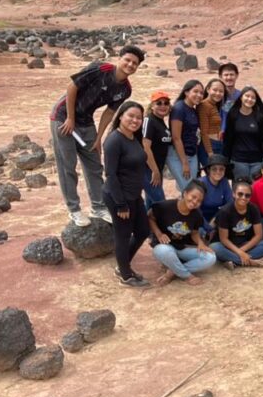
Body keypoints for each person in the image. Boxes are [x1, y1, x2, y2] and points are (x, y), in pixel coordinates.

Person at [49, 44, 144, 226]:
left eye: (135, 63)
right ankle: (74, 210)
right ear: (119, 59)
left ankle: (98, 207)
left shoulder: (125, 89)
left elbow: (109, 113)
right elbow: (72, 87)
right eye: (127, 60)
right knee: (68, 165)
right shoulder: (101, 68)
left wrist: (99, 137)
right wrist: (70, 118)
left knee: (94, 165)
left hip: (86, 121)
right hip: (63, 117)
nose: (130, 65)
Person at [102, 101, 150, 287]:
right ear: (121, 115)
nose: (135, 120)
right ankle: (125, 276)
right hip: (119, 197)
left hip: (134, 195)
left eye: (139, 118)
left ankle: (122, 266)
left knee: (143, 231)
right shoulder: (114, 141)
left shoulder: (133, 137)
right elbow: (110, 174)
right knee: (122, 235)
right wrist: (121, 204)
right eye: (131, 116)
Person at [148, 180, 216, 287]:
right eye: (193, 197)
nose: (195, 202)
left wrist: (200, 243)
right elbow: (150, 217)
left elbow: (194, 233)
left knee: (211, 257)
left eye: (199, 201)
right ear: (185, 193)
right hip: (164, 246)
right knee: (163, 251)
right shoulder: (166, 206)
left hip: (181, 248)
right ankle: (187, 276)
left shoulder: (197, 214)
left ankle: (172, 272)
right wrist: (159, 234)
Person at [211, 180, 263, 268]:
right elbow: (224, 239)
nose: (243, 197)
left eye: (247, 195)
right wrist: (240, 252)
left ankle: (233, 260)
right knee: (215, 247)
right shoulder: (225, 211)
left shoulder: (253, 208)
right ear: (234, 194)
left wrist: (241, 251)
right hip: (228, 245)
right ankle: (251, 262)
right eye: (240, 194)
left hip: (245, 244)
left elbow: (258, 235)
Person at [223, 86, 263, 182]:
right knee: (240, 188)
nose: (250, 99)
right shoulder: (233, 114)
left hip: (257, 161)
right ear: (241, 97)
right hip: (238, 160)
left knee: (255, 189)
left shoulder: (259, 116)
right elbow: (228, 138)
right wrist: (226, 158)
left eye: (253, 97)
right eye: (247, 96)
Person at [169, 79, 203, 193]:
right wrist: (184, 163)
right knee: (188, 190)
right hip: (179, 155)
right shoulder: (179, 109)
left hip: (192, 153)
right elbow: (176, 138)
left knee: (190, 188)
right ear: (186, 92)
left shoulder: (193, 109)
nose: (199, 95)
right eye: (195, 91)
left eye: (201, 93)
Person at [141, 90, 173, 210]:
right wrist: (154, 170)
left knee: (151, 206)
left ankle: (146, 222)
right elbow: (145, 146)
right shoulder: (149, 120)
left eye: (166, 103)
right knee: (161, 203)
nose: (163, 106)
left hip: (157, 169)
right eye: (159, 103)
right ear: (152, 106)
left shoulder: (160, 122)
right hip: (147, 169)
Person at [199, 154, 233, 239]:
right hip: (199, 217)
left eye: (221, 169)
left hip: (217, 217)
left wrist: (215, 219)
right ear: (208, 170)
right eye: (214, 169)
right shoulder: (201, 183)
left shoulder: (224, 181)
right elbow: (195, 209)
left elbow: (230, 203)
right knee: (200, 232)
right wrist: (208, 227)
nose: (218, 172)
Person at [199, 78, 226, 167]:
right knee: (213, 173)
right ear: (208, 89)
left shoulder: (213, 105)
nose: (218, 93)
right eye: (215, 90)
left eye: (221, 91)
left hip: (217, 144)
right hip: (210, 146)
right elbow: (204, 132)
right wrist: (210, 153)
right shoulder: (204, 105)